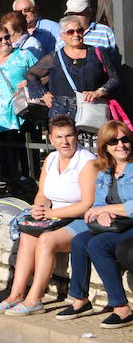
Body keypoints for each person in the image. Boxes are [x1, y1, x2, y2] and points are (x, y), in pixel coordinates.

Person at [0, 115, 97, 316]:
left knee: (45, 240)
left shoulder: (87, 162)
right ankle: (15, 295)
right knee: (27, 236)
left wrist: (51, 212)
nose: (65, 142)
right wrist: (39, 207)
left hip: (82, 219)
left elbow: (86, 204)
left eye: (69, 136)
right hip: (55, 218)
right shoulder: (51, 159)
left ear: (76, 136)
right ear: (51, 139)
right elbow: (43, 194)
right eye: (59, 137)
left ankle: (35, 299)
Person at [62, 121, 133, 329]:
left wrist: (105, 210)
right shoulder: (105, 172)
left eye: (125, 139)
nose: (121, 145)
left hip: (130, 224)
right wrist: (101, 214)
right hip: (117, 224)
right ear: (105, 146)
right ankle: (80, 300)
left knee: (98, 244)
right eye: (113, 141)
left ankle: (121, 308)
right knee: (79, 241)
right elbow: (99, 205)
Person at [0, 23, 39, 187]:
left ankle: (30, 188)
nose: (4, 41)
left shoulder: (24, 55)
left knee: (27, 157)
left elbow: (44, 75)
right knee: (5, 157)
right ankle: (11, 188)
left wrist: (30, 82)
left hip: (22, 115)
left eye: (6, 37)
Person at [24, 15, 120, 121]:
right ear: (62, 36)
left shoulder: (98, 52)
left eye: (79, 31)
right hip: (62, 115)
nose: (76, 34)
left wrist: (98, 92)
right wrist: (43, 93)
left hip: (92, 112)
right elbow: (31, 74)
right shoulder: (54, 58)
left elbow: (114, 78)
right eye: (70, 32)